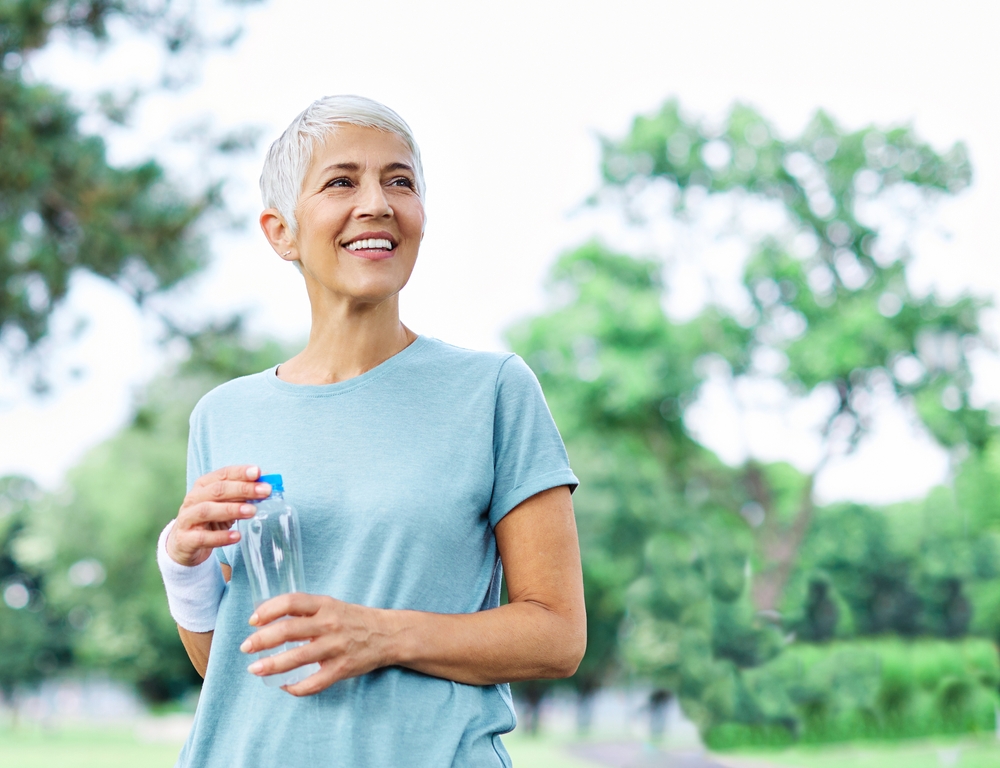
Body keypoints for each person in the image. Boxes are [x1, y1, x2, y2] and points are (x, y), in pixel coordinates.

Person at [156, 95, 585, 767]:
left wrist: (381, 634)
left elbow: (557, 637)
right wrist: (182, 568)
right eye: (341, 181)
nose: (378, 203)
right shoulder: (222, 416)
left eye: (400, 180)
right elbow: (244, 673)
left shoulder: (493, 390)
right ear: (281, 232)